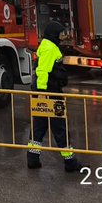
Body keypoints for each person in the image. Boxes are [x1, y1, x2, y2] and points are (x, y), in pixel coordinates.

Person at [27, 20, 82, 173]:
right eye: (59, 34)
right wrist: (44, 93)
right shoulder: (50, 48)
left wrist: (40, 94)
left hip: (44, 93)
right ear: (53, 34)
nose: (61, 37)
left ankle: (33, 159)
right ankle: (70, 162)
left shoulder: (45, 45)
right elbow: (43, 71)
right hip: (51, 94)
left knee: (39, 125)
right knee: (60, 127)